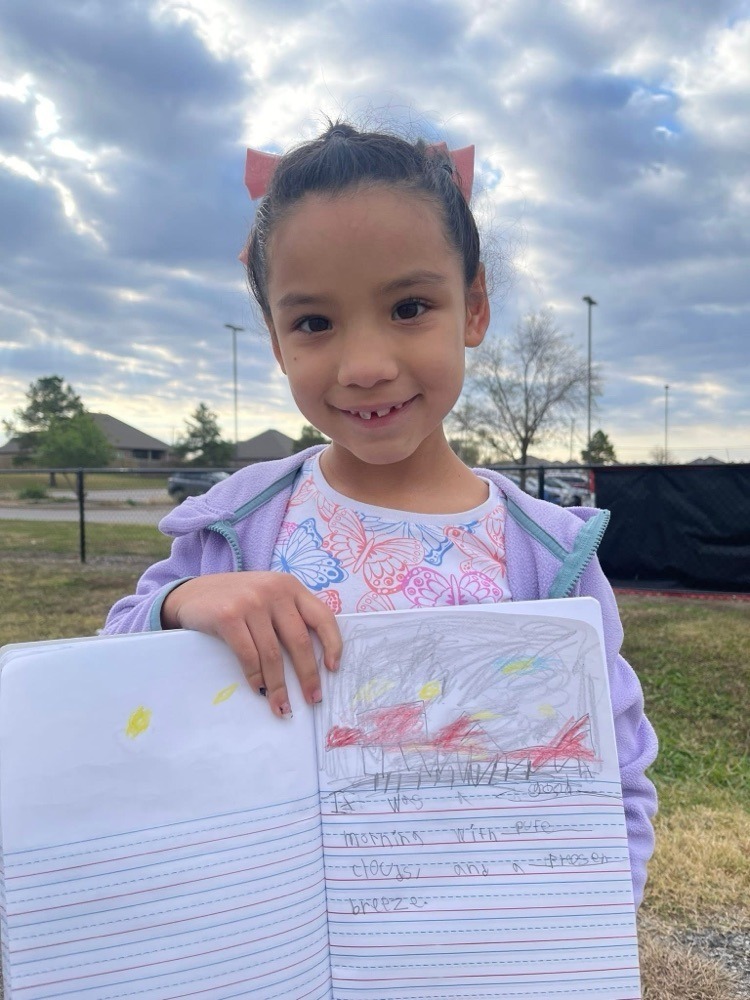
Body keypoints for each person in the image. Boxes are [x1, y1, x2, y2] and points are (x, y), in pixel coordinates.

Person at [105, 121, 657, 907]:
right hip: (264, 938)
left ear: (473, 310)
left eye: (408, 306)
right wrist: (179, 605)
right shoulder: (241, 523)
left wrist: (590, 935)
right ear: (275, 340)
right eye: (315, 323)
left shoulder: (548, 554)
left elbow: (617, 771)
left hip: (467, 949)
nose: (365, 366)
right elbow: (107, 667)